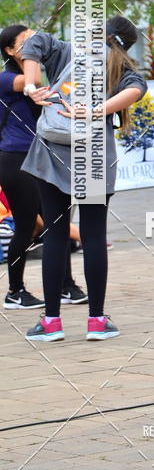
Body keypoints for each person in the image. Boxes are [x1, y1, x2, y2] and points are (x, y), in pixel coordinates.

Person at [19, 16, 146, 342]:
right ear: (126, 45)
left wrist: (32, 86)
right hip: (94, 158)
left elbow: (32, 43)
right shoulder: (119, 67)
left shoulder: (66, 51)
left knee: (56, 236)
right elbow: (137, 88)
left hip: (52, 153)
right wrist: (96, 111)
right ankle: (96, 322)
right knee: (92, 237)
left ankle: (50, 323)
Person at [0, 25, 86, 309]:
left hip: (44, 154)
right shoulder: (7, 78)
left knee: (57, 222)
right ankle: (15, 291)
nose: (35, 44)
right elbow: (35, 83)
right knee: (27, 226)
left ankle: (66, 285)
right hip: (17, 158)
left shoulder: (43, 71)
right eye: (26, 41)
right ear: (10, 51)